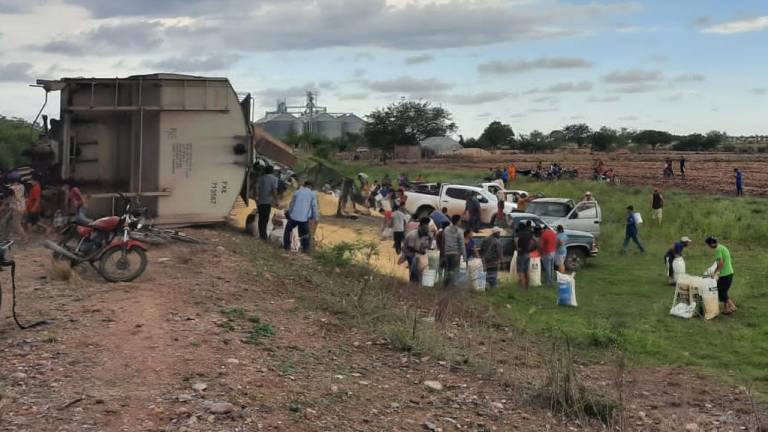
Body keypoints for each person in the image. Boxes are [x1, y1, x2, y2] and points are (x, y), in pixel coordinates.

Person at [284, 181, 318, 253]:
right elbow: (314, 207)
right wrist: (314, 217)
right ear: (311, 187)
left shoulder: (297, 192)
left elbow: (291, 204)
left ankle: (286, 246)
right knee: (305, 233)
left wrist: (289, 213)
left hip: (293, 217)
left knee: (288, 230)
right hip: (304, 218)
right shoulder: (312, 194)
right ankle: (305, 248)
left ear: (304, 185)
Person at [705, 236, 736, 314]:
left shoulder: (717, 250)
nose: (709, 247)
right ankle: (727, 309)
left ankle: (732, 306)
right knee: (724, 291)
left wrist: (715, 273)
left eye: (709, 245)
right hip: (730, 273)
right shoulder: (722, 247)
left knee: (719, 290)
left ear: (712, 243)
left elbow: (720, 263)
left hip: (725, 274)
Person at [403, 217, 431, 283]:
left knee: (420, 267)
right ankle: (414, 281)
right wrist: (420, 251)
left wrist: (430, 239)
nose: (426, 232)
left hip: (416, 253)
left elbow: (426, 246)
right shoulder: (413, 235)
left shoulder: (423, 235)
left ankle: (415, 280)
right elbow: (410, 248)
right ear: (420, 227)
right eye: (425, 230)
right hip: (409, 253)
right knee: (414, 265)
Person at [255, 166, 279, 240]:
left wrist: (257, 198)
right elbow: (274, 190)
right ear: (272, 171)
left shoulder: (260, 178)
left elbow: (256, 189)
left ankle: (262, 235)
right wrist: (276, 200)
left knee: (261, 218)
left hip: (260, 201)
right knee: (265, 219)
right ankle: (264, 236)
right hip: (267, 202)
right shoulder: (274, 179)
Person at [442, 215, 466, 288]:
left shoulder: (446, 229)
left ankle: (446, 284)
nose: (461, 222)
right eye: (460, 221)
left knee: (448, 268)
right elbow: (462, 244)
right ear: (458, 221)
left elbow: (443, 241)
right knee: (455, 269)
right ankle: (454, 284)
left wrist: (443, 251)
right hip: (455, 253)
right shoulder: (460, 231)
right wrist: (464, 255)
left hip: (447, 252)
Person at [7, 177, 28, 242]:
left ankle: (24, 237)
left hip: (17, 207)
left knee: (16, 224)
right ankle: (21, 236)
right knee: (14, 222)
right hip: (21, 206)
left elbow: (10, 195)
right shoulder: (22, 186)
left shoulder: (12, 188)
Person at [515, 222, 532, 290]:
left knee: (521, 271)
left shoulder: (520, 237)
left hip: (521, 255)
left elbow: (519, 248)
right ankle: (527, 286)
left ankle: (523, 288)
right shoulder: (528, 234)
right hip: (528, 254)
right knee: (526, 270)